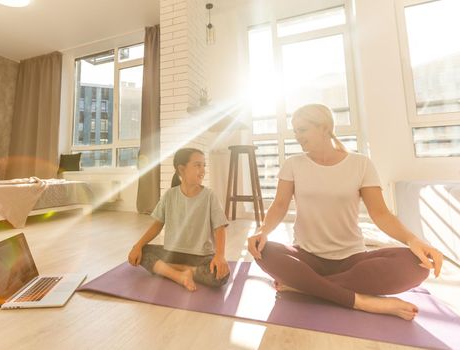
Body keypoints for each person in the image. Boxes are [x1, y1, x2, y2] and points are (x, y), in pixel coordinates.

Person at [247, 104, 443, 320]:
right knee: (262, 250)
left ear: (324, 127)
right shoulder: (293, 164)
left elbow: (380, 213)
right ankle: (363, 302)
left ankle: (304, 287)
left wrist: (413, 240)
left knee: (416, 265)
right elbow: (279, 205)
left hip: (352, 260)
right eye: (295, 131)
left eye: (302, 130)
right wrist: (263, 231)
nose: (297, 136)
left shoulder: (361, 164)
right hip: (306, 257)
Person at [128, 148, 230, 291]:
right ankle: (180, 276)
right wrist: (138, 245)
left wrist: (220, 256)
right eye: (197, 165)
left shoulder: (210, 196)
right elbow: (157, 225)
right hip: (172, 254)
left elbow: (220, 228)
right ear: (181, 169)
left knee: (222, 275)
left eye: (203, 165)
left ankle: (174, 271)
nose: (202, 170)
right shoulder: (169, 195)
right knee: (141, 252)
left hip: (200, 257)